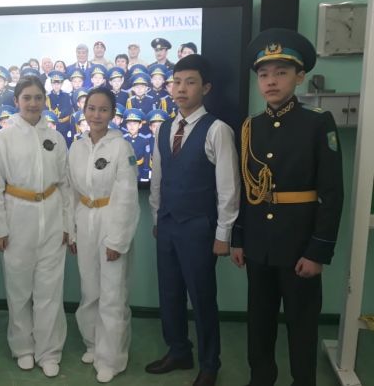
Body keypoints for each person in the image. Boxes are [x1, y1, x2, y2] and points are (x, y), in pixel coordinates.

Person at [232, 28, 344, 386]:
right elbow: (246, 189)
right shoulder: (251, 126)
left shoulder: (317, 122)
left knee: (302, 323)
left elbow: (332, 193)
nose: (271, 81)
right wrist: (239, 239)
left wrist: (318, 251)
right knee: (259, 320)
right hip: (259, 244)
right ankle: (261, 378)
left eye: (281, 72)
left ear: (300, 76)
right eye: (264, 74)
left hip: (300, 245)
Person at [146, 54, 240, 386]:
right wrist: (157, 217)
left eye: (190, 82)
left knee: (202, 298)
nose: (181, 89)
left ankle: (210, 363)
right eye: (176, 82)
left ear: (206, 88)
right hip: (168, 224)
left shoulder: (217, 130)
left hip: (200, 227)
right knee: (169, 293)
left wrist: (223, 234)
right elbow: (158, 178)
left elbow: (228, 187)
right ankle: (178, 351)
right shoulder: (164, 128)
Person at [0, 76, 71, 377]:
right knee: (19, 290)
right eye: (27, 98)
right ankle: (22, 347)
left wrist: (68, 225)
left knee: (50, 291)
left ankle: (49, 351)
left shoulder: (56, 138)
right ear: (17, 101)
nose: (33, 103)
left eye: (38, 97)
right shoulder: (3, 138)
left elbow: (65, 185)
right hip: (17, 220)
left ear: (44, 100)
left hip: (52, 219)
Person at [67, 87, 140, 383]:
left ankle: (111, 358)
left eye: (103, 109)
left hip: (110, 219)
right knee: (90, 289)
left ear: (112, 114)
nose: (96, 115)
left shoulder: (121, 147)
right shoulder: (77, 147)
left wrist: (118, 240)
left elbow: (127, 196)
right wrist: (72, 231)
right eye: (91, 108)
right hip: (84, 219)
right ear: (84, 111)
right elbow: (71, 192)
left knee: (112, 293)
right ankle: (93, 343)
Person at [45, 70, 74, 146]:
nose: (56, 86)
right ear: (51, 84)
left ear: (62, 84)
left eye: (59, 83)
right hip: (52, 127)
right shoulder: (47, 97)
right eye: (54, 83)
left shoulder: (67, 96)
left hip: (65, 126)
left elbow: (69, 111)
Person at [122, 108, 150, 182]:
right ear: (126, 125)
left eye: (135, 124)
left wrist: (145, 175)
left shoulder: (144, 140)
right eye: (129, 124)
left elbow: (147, 158)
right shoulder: (122, 139)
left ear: (140, 125)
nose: (132, 126)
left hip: (139, 170)